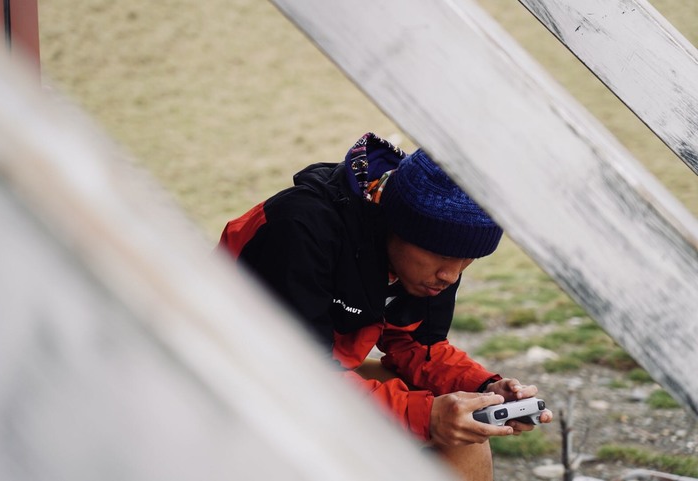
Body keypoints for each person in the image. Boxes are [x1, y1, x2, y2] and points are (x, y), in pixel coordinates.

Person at [219, 132, 553, 480]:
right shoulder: (298, 230)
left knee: (465, 433)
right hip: (234, 375)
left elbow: (418, 345)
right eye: (442, 256)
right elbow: (296, 377)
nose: (450, 275)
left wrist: (486, 389)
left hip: (319, 374)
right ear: (398, 226)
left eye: (468, 259)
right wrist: (427, 416)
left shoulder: (423, 258)